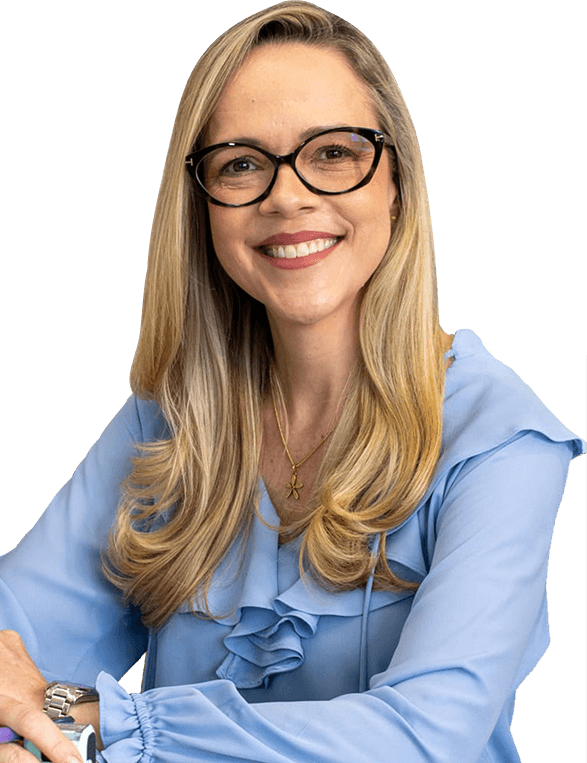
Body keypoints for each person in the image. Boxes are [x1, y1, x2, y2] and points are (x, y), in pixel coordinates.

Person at [0, 2, 585, 761]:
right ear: (203, 205)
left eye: (334, 152)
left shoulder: (500, 439)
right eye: (241, 163)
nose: (286, 196)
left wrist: (94, 720)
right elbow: (12, 644)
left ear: (397, 182)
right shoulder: (171, 417)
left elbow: (422, 738)